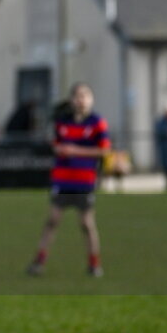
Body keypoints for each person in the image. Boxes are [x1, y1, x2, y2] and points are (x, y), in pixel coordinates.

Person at [26, 83, 110, 277]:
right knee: (52, 220)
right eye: (77, 96)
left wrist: (75, 150)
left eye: (85, 96)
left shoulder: (97, 122)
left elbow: (104, 149)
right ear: (71, 99)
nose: (81, 100)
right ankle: (39, 262)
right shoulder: (62, 121)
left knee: (86, 224)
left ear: (91, 99)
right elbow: (54, 143)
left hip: (84, 180)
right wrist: (57, 147)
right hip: (62, 180)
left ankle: (94, 264)